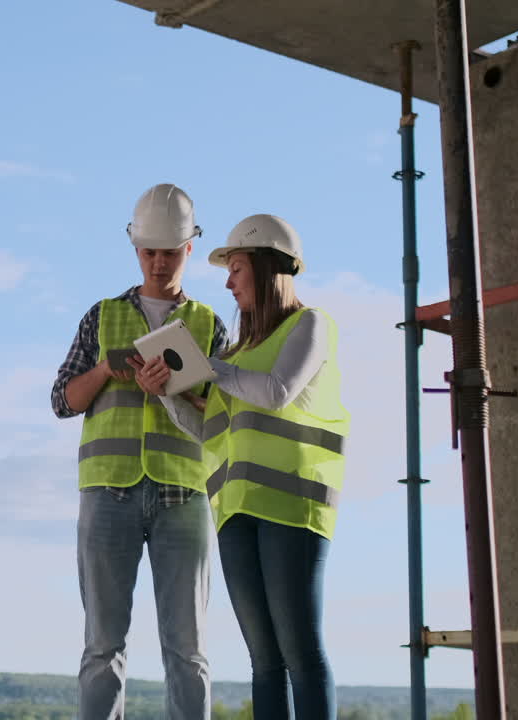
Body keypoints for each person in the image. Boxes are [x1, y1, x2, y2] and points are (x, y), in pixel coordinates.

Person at [153, 214, 350, 720]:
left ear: (265, 268)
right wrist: (172, 394)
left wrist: (208, 365)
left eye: (236, 268)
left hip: (292, 506)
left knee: (300, 653)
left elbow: (278, 392)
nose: (228, 281)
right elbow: (210, 432)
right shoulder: (236, 353)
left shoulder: (310, 324)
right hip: (236, 514)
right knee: (264, 662)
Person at [51, 183, 228, 720]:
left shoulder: (209, 325)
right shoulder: (101, 316)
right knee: (103, 644)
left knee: (187, 648)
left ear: (189, 249)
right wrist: (106, 369)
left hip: (183, 495)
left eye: (168, 252)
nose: (157, 262)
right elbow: (62, 400)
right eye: (149, 251)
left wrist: (176, 389)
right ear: (135, 248)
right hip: (109, 493)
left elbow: (225, 421)